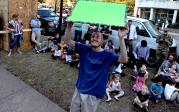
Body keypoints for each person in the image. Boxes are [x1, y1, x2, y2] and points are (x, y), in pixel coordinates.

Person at [64, 22, 128, 112]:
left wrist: (121, 38)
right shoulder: (84, 49)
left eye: (98, 37)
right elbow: (67, 41)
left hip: (92, 94)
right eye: (93, 36)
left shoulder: (108, 55)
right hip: (79, 89)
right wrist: (69, 27)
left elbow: (124, 59)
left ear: (102, 41)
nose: (94, 38)